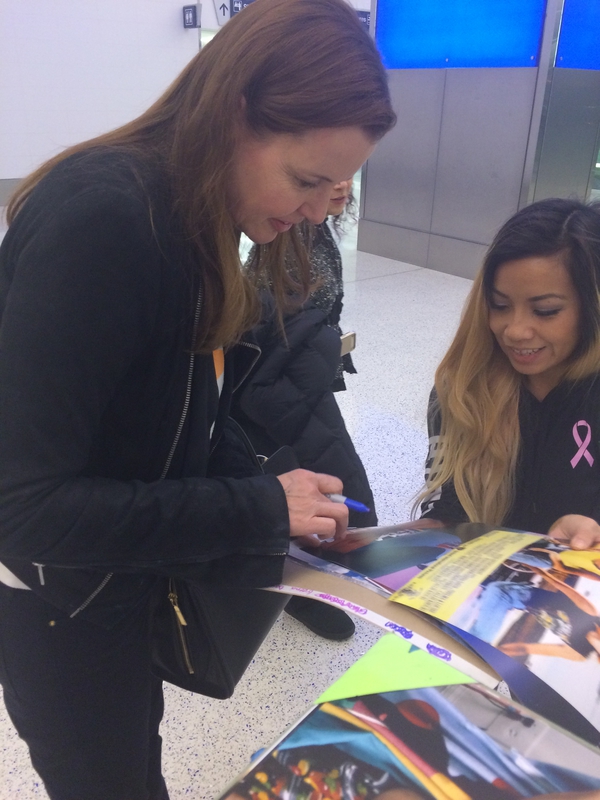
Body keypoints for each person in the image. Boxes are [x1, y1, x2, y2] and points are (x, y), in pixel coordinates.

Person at [0, 0, 396, 795]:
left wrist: (273, 512)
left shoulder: (195, 224)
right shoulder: (108, 221)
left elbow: (172, 426)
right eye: (307, 179)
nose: (320, 210)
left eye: (339, 190)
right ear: (234, 114)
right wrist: (256, 510)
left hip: (116, 586)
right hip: (61, 610)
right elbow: (24, 509)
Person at [416, 198, 600, 555]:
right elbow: (447, 501)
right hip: (482, 587)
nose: (514, 331)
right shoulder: (462, 388)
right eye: (499, 305)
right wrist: (422, 538)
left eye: (545, 311)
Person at [232, 181, 374, 640]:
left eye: (345, 175)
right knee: (298, 476)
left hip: (305, 378)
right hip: (284, 388)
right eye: (319, 176)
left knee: (323, 476)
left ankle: (311, 577)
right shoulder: (287, 240)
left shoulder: (315, 231)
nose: (337, 186)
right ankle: (297, 586)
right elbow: (271, 333)